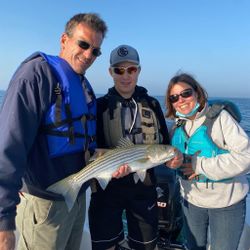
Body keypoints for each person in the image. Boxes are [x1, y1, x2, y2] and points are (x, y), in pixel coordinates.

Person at [0, 13, 110, 250]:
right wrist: (3, 220)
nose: (89, 54)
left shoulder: (83, 85)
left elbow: (81, 143)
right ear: (64, 40)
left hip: (77, 200)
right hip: (45, 205)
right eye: (83, 44)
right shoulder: (35, 75)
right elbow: (9, 147)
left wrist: (109, 161)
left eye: (96, 51)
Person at [88, 45, 183, 250]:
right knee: (105, 245)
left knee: (145, 246)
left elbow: (165, 144)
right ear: (110, 72)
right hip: (107, 190)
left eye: (131, 69)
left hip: (144, 190)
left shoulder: (153, 105)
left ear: (139, 71)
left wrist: (174, 159)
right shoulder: (98, 106)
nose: (125, 76)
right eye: (119, 70)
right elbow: (90, 148)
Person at [165, 73, 250, 250]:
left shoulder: (220, 119)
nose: (181, 100)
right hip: (192, 203)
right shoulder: (176, 127)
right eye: (174, 97)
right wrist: (171, 163)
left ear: (197, 93)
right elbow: (174, 160)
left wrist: (200, 165)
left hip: (226, 203)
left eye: (186, 93)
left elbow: (246, 157)